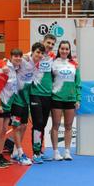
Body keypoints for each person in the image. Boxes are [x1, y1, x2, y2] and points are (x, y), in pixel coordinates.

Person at [0, 43, 46, 165]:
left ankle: (15, 152)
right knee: (17, 126)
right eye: (37, 52)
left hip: (26, 100)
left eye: (41, 53)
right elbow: (3, 61)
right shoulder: (24, 60)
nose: (39, 55)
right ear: (32, 52)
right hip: (16, 99)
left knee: (24, 126)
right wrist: (3, 65)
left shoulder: (38, 63)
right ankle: (20, 153)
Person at [0, 49, 22, 168]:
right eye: (15, 56)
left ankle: (0, 155)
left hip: (7, 105)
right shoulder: (4, 69)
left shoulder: (14, 69)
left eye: (19, 56)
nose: (18, 58)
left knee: (3, 130)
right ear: (11, 57)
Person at [50, 40, 81, 161]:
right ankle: (55, 152)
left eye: (66, 49)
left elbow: (78, 83)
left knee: (68, 126)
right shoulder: (53, 63)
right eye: (62, 48)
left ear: (69, 50)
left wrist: (78, 98)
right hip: (56, 97)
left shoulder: (74, 64)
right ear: (58, 50)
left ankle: (67, 152)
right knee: (56, 125)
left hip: (70, 98)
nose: (64, 51)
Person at [30, 34, 56, 164]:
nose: (50, 45)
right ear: (43, 41)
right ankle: (35, 153)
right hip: (35, 93)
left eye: (52, 44)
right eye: (48, 43)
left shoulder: (52, 57)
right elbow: (20, 58)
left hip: (48, 95)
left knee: (43, 124)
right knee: (38, 123)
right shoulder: (34, 54)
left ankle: (39, 151)